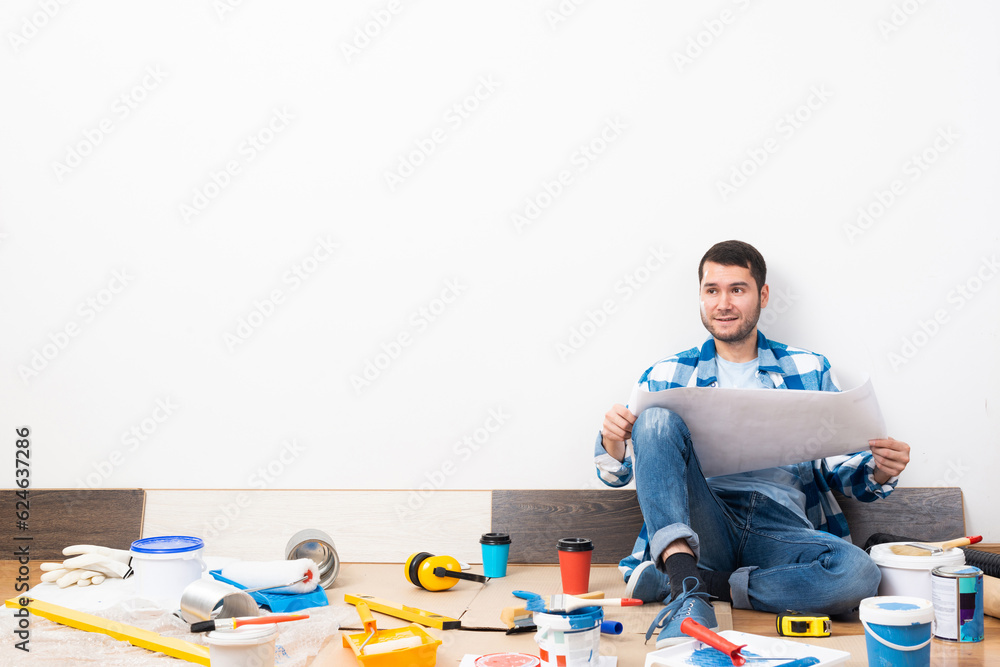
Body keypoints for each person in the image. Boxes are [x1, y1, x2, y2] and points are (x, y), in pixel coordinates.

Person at [594, 240, 910, 647]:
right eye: (712, 290)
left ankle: (699, 581)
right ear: (702, 296)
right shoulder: (667, 373)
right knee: (653, 422)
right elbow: (621, 473)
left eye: (737, 290)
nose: (723, 303)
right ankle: (689, 593)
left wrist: (878, 469)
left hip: (780, 527)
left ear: (761, 295)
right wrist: (612, 440)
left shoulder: (809, 368)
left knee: (859, 574)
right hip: (704, 521)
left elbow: (838, 467)